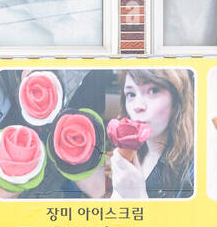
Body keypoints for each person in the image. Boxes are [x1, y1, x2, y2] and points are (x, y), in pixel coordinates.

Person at [74, 68, 196, 201]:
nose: (137, 106)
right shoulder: (134, 150)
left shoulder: (194, 170)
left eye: (153, 91)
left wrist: (137, 197)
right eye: (131, 94)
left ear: (177, 100)